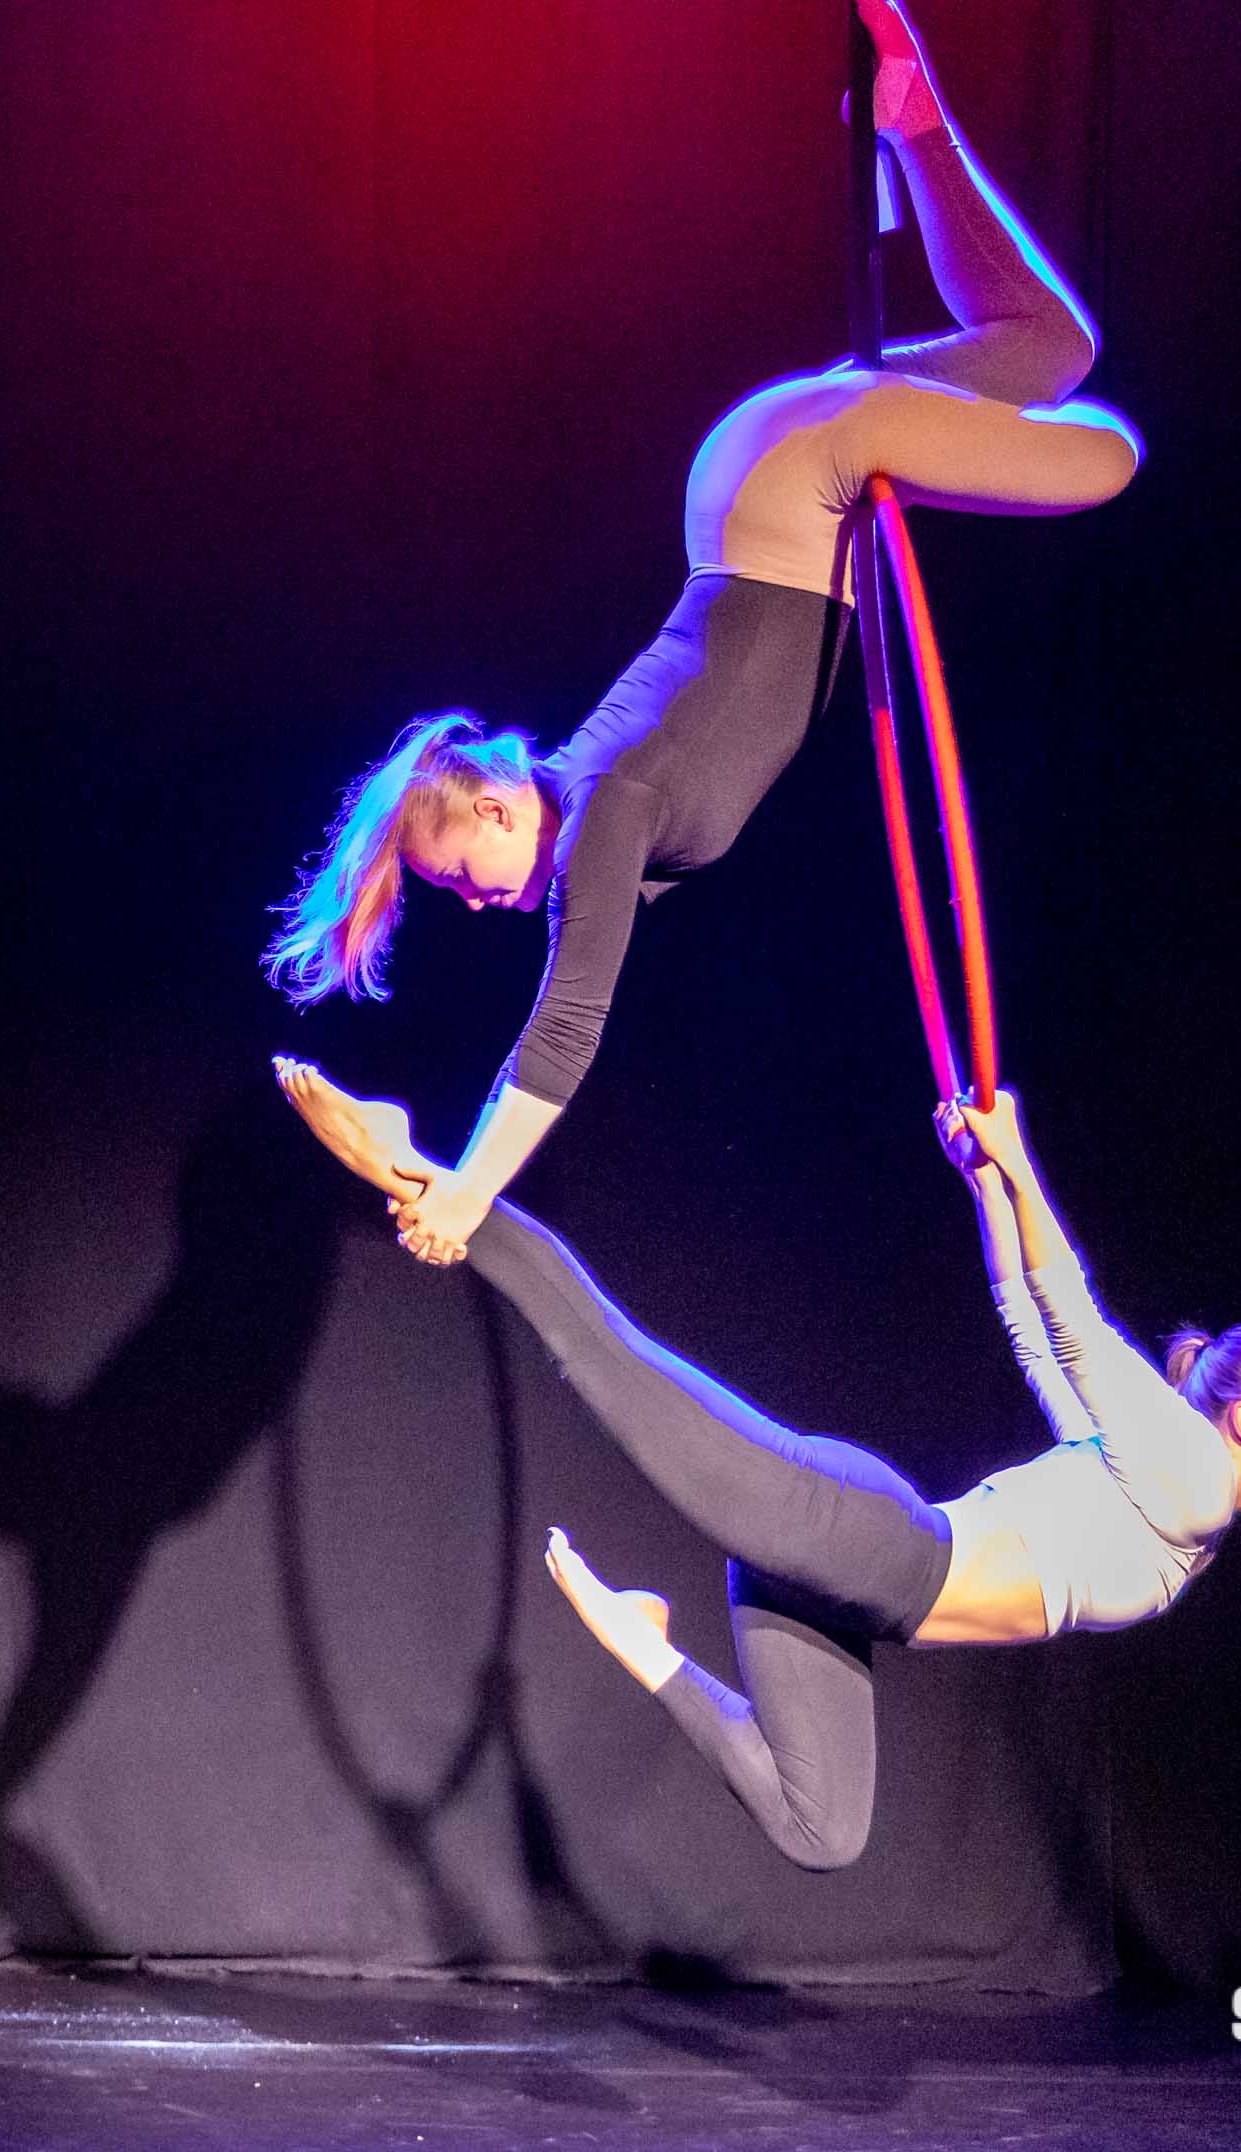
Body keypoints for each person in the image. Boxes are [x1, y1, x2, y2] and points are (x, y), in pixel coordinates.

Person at [265, 0, 1140, 1266]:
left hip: (783, 487)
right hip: (754, 484)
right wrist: (436, 1167)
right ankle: (912, 122)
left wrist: (466, 1197)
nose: (475, 903)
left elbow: (568, 1022)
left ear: (502, 810)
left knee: (1106, 453)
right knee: (1052, 344)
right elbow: (568, 996)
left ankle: (911, 148)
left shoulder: (601, 810)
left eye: (459, 875)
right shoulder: (599, 823)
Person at [274, 1062, 1241, 1868]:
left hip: (853, 1600)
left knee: (822, 1831)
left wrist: (986, 1187)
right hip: (872, 1548)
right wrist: (1012, 1164)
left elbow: (1031, 1327)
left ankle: (645, 1641)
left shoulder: (1161, 1487)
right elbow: (1071, 1320)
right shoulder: (1195, 1478)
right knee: (613, 1364)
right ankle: (431, 1175)